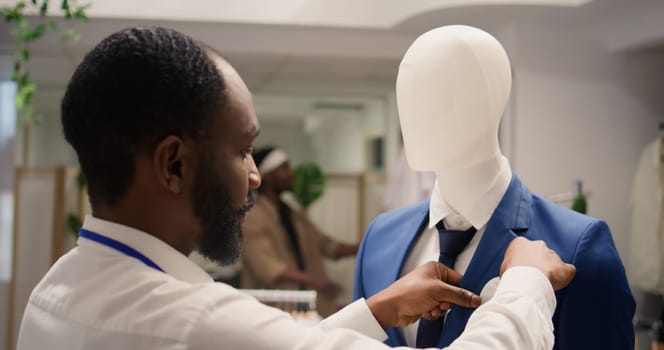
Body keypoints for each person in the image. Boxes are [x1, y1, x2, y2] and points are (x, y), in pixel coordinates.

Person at [16, 26, 575, 350]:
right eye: (240, 151)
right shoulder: (194, 323)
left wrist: (370, 311)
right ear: (174, 165)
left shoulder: (53, 292)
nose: (255, 175)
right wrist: (526, 283)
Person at [353, 25, 635, 349]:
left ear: (495, 95)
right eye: (408, 89)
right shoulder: (379, 240)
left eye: (444, 89)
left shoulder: (577, 247)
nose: (416, 110)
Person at [241, 146, 358, 316]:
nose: (291, 174)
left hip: (305, 307)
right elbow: (268, 268)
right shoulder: (252, 218)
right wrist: (317, 282)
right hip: (273, 309)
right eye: (284, 168)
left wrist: (367, 244)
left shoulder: (292, 213)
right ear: (268, 176)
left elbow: (328, 246)